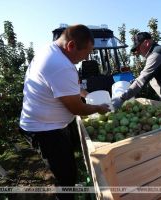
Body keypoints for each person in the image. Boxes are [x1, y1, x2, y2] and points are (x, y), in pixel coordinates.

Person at [19, 24, 110, 200]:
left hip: (47, 125)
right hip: (45, 131)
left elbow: (70, 87)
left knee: (68, 164)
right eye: (86, 53)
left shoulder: (52, 52)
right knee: (66, 178)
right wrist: (99, 108)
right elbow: (76, 108)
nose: (87, 57)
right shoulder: (60, 65)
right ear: (71, 46)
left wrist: (86, 94)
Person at [112, 32, 161, 109]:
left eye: (138, 48)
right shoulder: (155, 53)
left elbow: (141, 81)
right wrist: (133, 83)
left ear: (146, 43)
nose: (138, 52)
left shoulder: (156, 55)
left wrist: (121, 98)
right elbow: (148, 76)